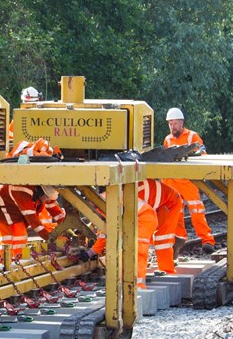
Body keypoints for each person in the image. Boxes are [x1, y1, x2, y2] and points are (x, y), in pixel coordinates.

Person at [162, 108, 215, 253]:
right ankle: (180, 240)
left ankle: (208, 241)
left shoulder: (192, 136)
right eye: (170, 124)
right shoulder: (168, 139)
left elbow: (203, 154)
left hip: (188, 182)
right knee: (175, 215)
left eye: (175, 123)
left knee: (197, 212)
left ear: (181, 122)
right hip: (172, 183)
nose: (172, 127)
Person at [83, 198, 158, 289]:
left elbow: (107, 234)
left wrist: (90, 253)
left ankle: (137, 287)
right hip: (140, 218)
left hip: (143, 219)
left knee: (136, 252)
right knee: (126, 253)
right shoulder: (103, 200)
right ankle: (127, 285)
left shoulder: (105, 204)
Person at [0, 185, 66, 258]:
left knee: (20, 236)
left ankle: (18, 260)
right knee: (11, 238)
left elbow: (55, 210)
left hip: (15, 206)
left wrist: (67, 227)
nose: (48, 200)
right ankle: (8, 262)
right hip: (1, 205)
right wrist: (50, 239)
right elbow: (34, 222)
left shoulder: (44, 192)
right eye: (47, 198)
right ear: (41, 192)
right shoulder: (23, 192)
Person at [138, 179, 183, 273]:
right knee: (142, 236)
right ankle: (139, 263)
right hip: (159, 203)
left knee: (163, 239)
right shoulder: (128, 190)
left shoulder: (131, 194)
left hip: (170, 203)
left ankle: (167, 270)